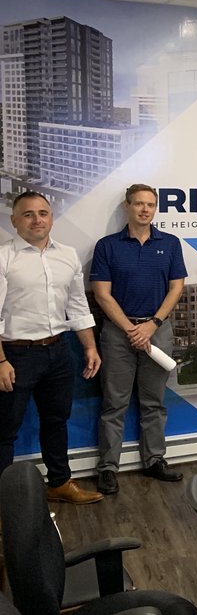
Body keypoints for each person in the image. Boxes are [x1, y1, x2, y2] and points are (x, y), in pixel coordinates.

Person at [0, 192, 102, 504]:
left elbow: (77, 304)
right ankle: (4, 502)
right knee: (5, 432)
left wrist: (89, 347)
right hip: (14, 355)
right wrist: (1, 361)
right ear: (14, 221)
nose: (37, 220)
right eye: (28, 214)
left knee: (56, 421)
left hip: (58, 352)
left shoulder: (67, 255)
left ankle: (59, 483)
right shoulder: (3, 257)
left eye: (43, 213)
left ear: (52, 218)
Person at [91, 184, 186, 494]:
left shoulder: (170, 244)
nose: (145, 209)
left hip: (157, 331)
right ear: (127, 207)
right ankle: (108, 467)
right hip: (118, 334)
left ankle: (154, 460)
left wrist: (152, 324)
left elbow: (176, 288)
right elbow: (102, 294)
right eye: (139, 204)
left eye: (150, 205)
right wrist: (132, 330)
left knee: (154, 402)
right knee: (114, 403)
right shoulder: (107, 246)